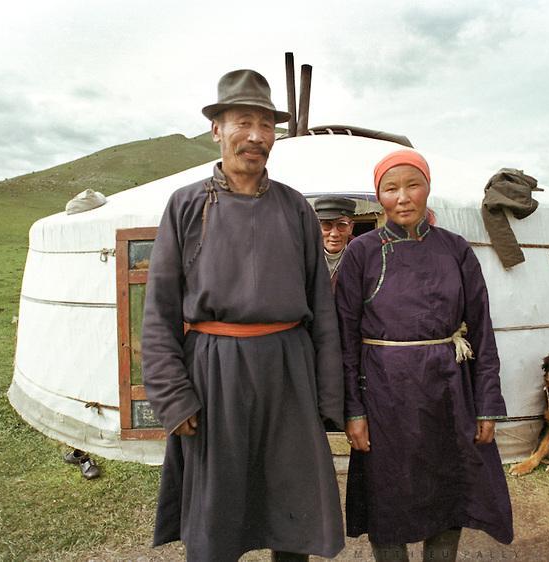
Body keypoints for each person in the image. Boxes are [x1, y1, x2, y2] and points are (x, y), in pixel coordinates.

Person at [141, 69, 345, 562]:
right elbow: (159, 311)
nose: (256, 136)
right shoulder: (185, 205)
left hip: (288, 372)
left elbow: (321, 308)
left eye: (266, 125)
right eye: (243, 122)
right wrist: (172, 396)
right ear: (217, 129)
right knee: (216, 517)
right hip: (215, 373)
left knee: (293, 511)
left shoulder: (296, 208)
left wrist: (326, 395)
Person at [336, 149, 513, 561]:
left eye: (412, 185)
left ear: (428, 188)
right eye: (390, 188)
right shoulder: (361, 252)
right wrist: (353, 411)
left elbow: (482, 331)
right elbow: (344, 340)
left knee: (451, 491)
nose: (402, 197)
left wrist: (487, 404)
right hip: (384, 396)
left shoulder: (456, 249)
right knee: (387, 497)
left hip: (449, 394)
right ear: (378, 195)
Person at [314, 195, 357, 290]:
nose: (334, 234)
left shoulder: (361, 256)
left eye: (341, 225)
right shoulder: (304, 255)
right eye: (326, 225)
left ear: (351, 228)